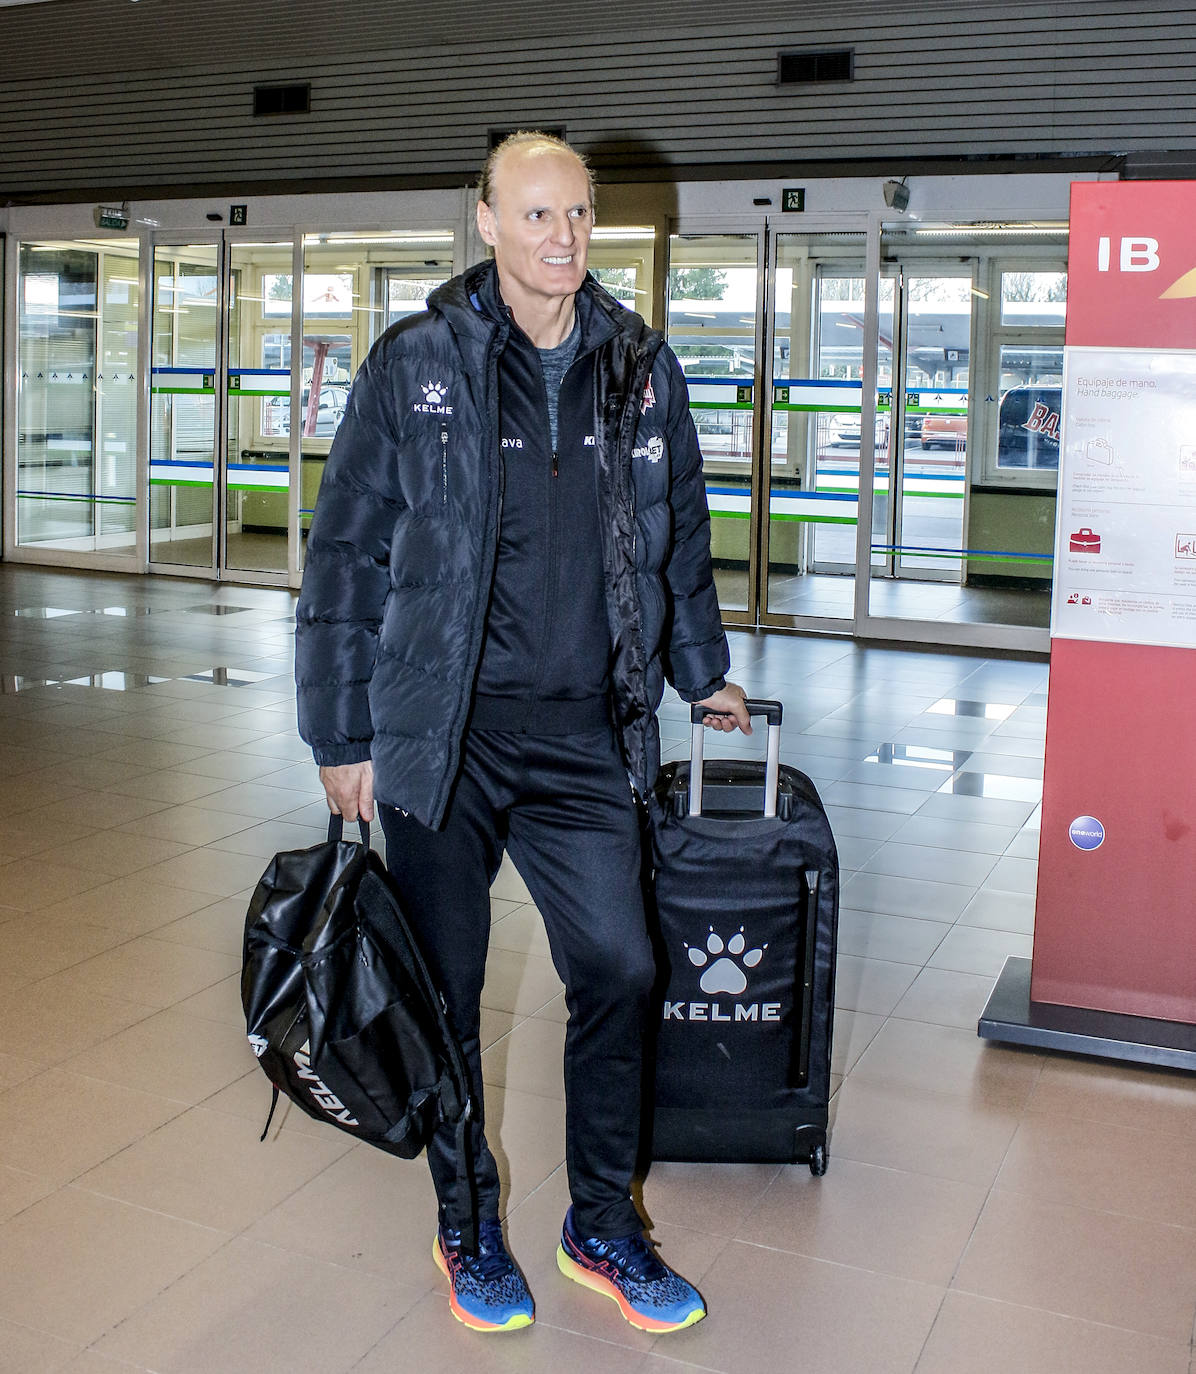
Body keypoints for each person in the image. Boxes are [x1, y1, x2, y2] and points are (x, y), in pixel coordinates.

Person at [295, 130, 749, 1336]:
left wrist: (701, 673)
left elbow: (681, 537)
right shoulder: (417, 363)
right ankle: (466, 1221)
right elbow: (344, 551)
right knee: (445, 994)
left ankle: (600, 1221)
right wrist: (338, 730)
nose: (561, 239)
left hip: (586, 735)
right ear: (486, 222)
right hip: (443, 736)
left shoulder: (641, 367)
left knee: (621, 966)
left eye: (578, 217)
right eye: (536, 215)